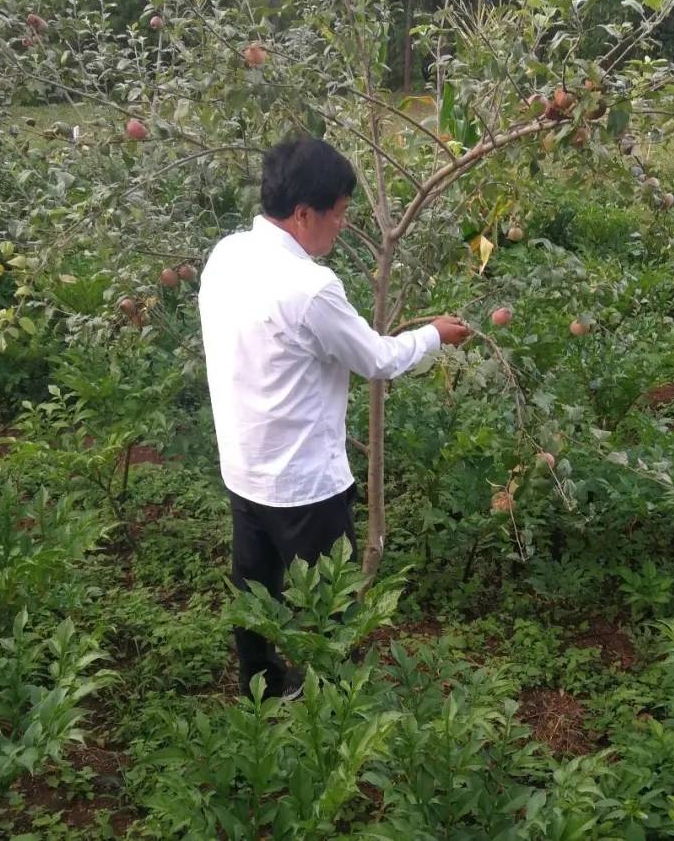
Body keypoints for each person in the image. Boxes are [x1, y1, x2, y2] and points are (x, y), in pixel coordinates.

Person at [198, 136, 472, 700]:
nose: (343, 226)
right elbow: (376, 358)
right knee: (335, 603)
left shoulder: (226, 255)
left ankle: (264, 685)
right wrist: (434, 336)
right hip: (302, 484)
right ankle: (344, 704)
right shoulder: (311, 289)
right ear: (304, 215)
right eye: (340, 214)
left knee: (257, 591)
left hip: (245, 468)